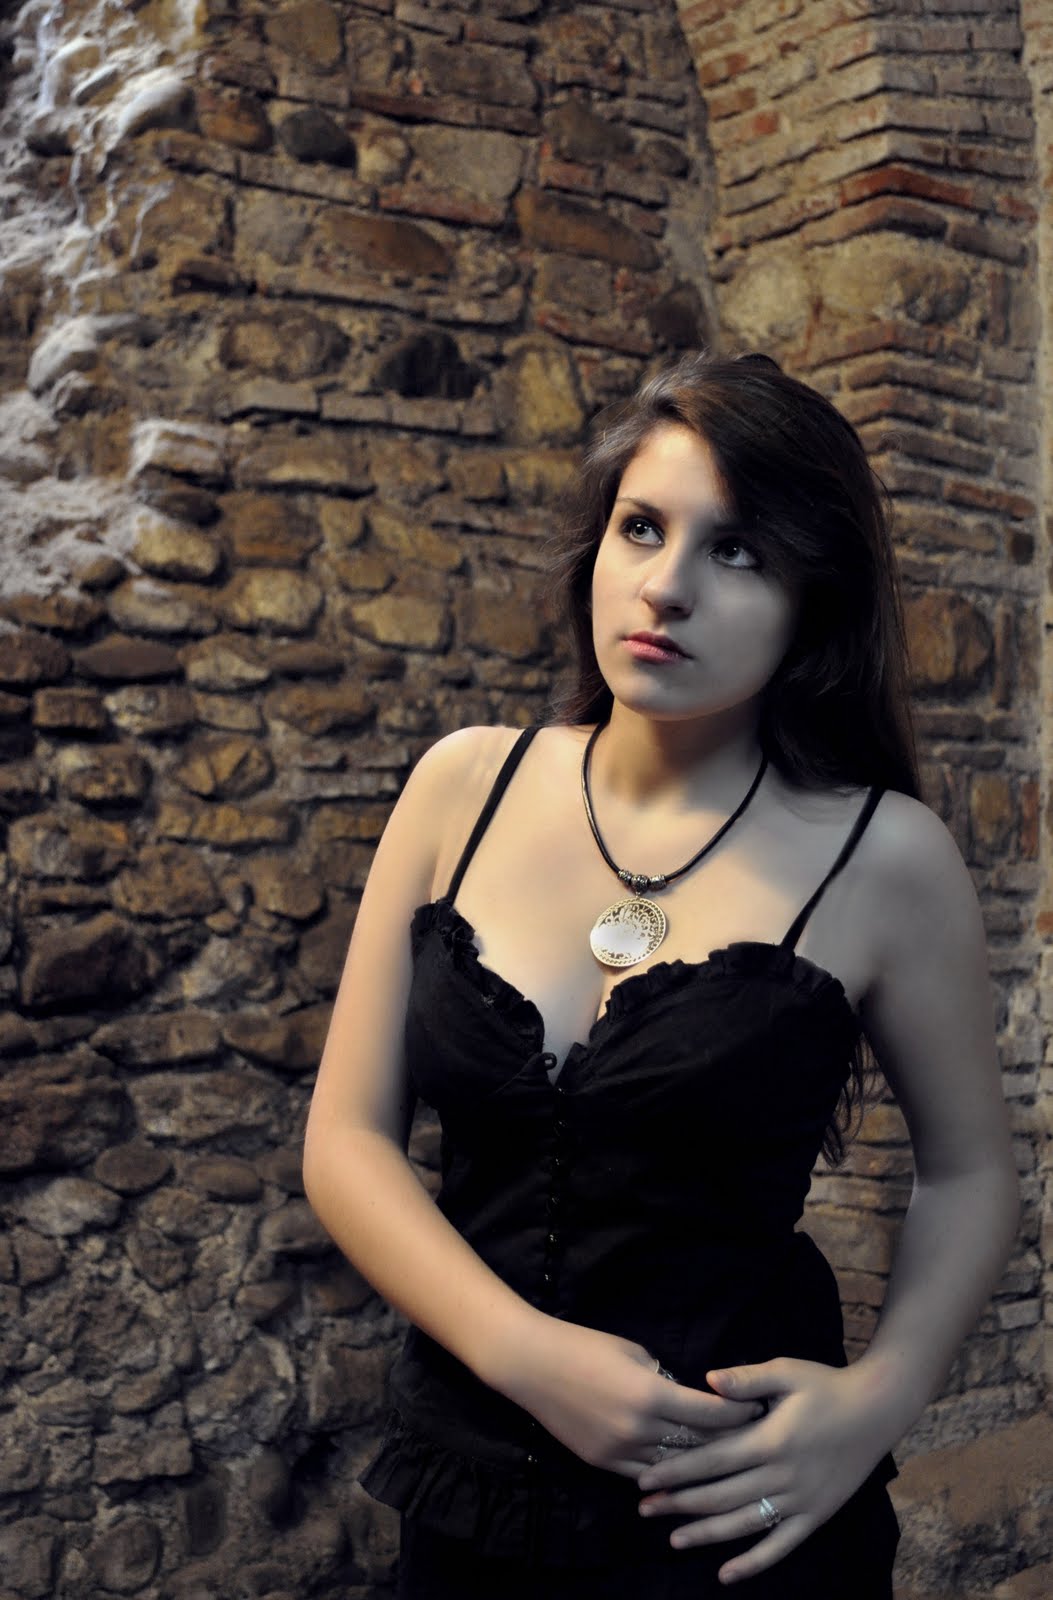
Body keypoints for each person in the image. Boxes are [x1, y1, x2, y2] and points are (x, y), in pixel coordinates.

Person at [302, 350, 1020, 1597]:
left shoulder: (885, 855)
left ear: (812, 599)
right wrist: (524, 1354)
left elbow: (970, 1172)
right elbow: (346, 1139)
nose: (667, 585)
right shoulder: (462, 786)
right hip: (471, 1495)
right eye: (642, 527)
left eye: (736, 551)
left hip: (735, 1513)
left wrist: (878, 1401)